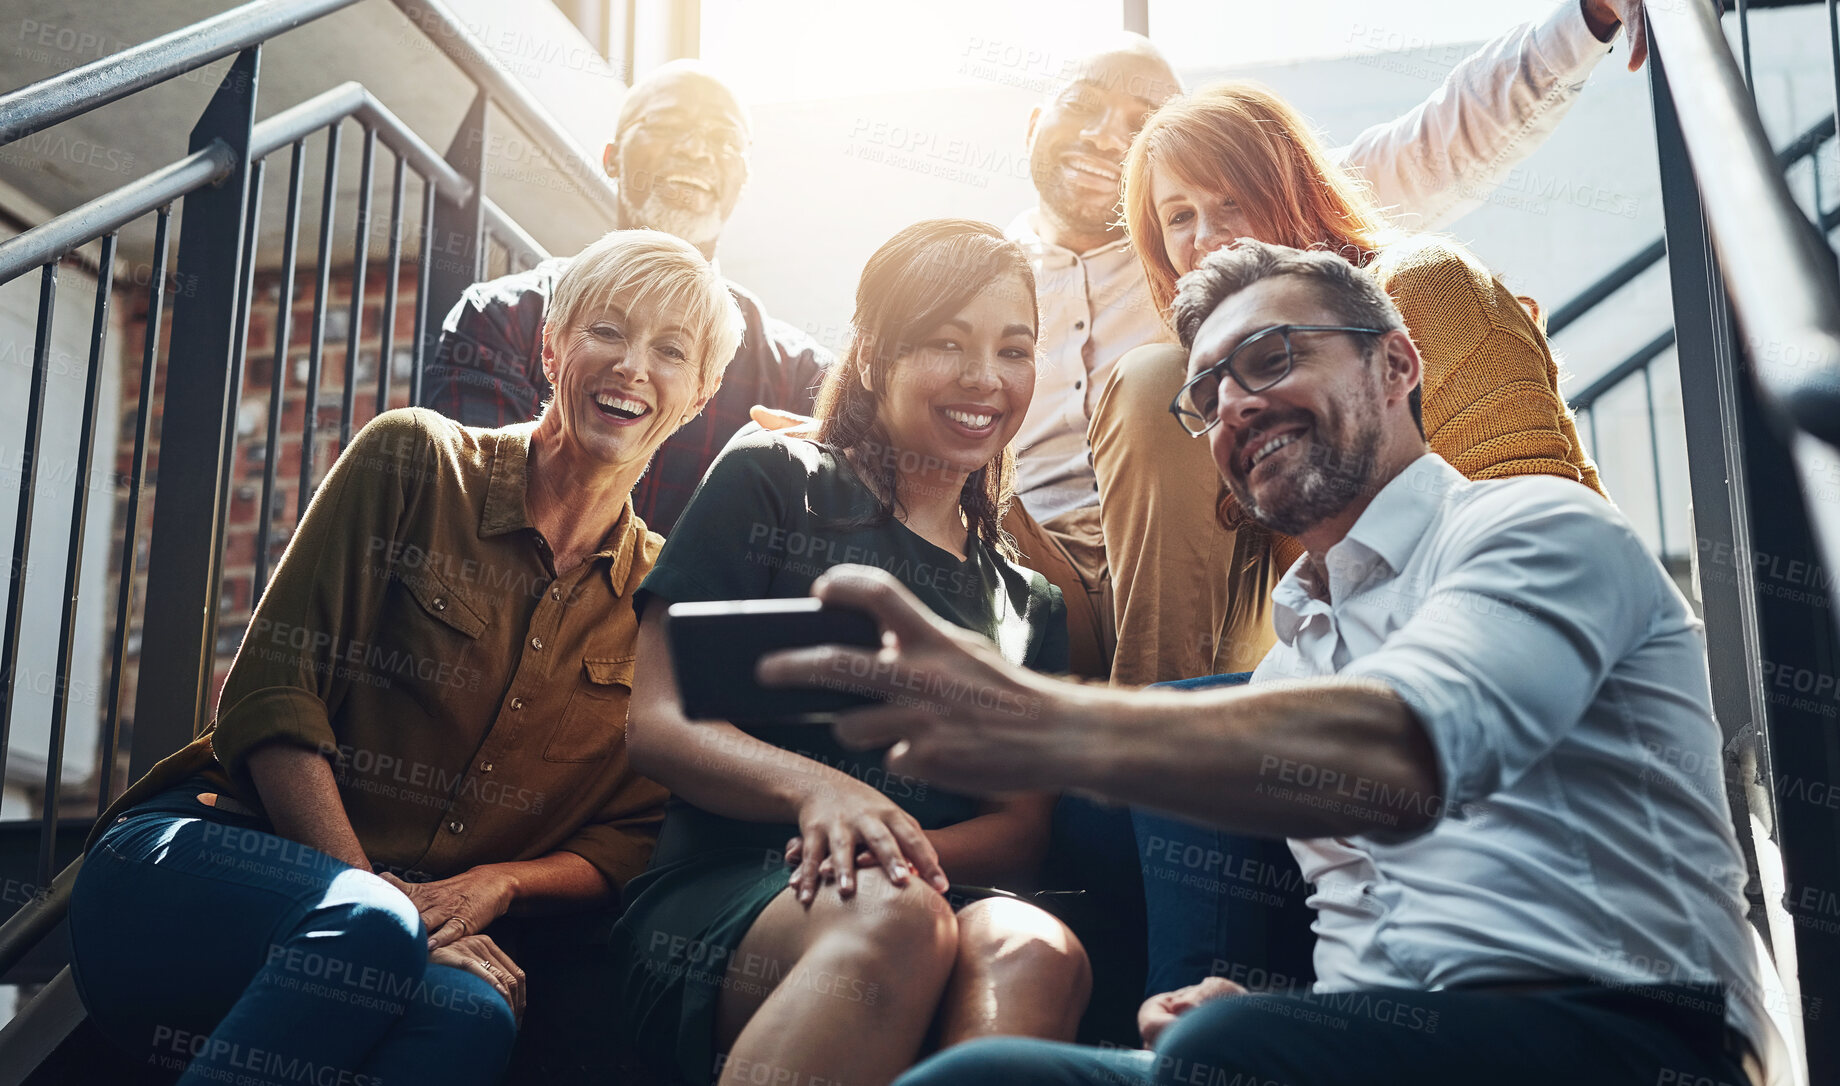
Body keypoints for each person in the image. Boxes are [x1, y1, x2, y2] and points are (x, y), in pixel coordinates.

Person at [760, 240, 1777, 1086]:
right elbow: (1367, 944)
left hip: (1636, 1036)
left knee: (1224, 1053)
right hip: (1387, 1045)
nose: (1236, 403)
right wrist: (1275, 1009)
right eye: (1207, 391)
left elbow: (1403, 751)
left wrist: (1044, 719)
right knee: (984, 1079)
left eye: (1272, 356)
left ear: (1396, 365)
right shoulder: (1294, 665)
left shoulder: (1535, 530)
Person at [65, 230, 744, 1084]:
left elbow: (636, 834)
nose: (633, 367)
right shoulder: (415, 459)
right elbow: (273, 697)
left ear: (702, 393)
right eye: (607, 330)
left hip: (402, 940)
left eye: (671, 351)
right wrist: (387, 905)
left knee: (472, 1015)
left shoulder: (659, 604)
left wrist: (499, 883)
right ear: (551, 344)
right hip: (204, 859)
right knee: (370, 930)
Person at [1000, 0, 1645, 679]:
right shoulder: (985, 284)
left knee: (1159, 381)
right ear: (1035, 121)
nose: (1110, 136)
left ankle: (1151, 738)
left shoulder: (1269, 273)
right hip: (1040, 583)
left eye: (1143, 121)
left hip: (1218, 588)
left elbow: (1442, 139)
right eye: (1087, 104)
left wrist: (1587, 18)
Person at [611, 220, 1084, 1086]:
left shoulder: (1029, 604)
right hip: (734, 889)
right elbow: (657, 725)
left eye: (1013, 351)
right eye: (947, 342)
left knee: (1038, 949)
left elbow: (1019, 833)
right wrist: (825, 792)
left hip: (927, 887)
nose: (986, 378)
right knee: (899, 919)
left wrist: (884, 846)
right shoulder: (774, 480)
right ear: (874, 358)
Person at [1099, 79, 1603, 694]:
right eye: (1180, 216)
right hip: (1335, 670)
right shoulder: (1232, 390)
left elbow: (1538, 529)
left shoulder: (1419, 284)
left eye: (1231, 200)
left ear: (1292, 189)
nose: (1206, 236)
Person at [421, 60, 828, 535]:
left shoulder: (805, 377)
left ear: (743, 180)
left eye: (723, 139)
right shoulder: (504, 318)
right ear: (612, 158)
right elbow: (471, 514)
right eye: (667, 125)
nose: (697, 150)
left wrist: (842, 465)